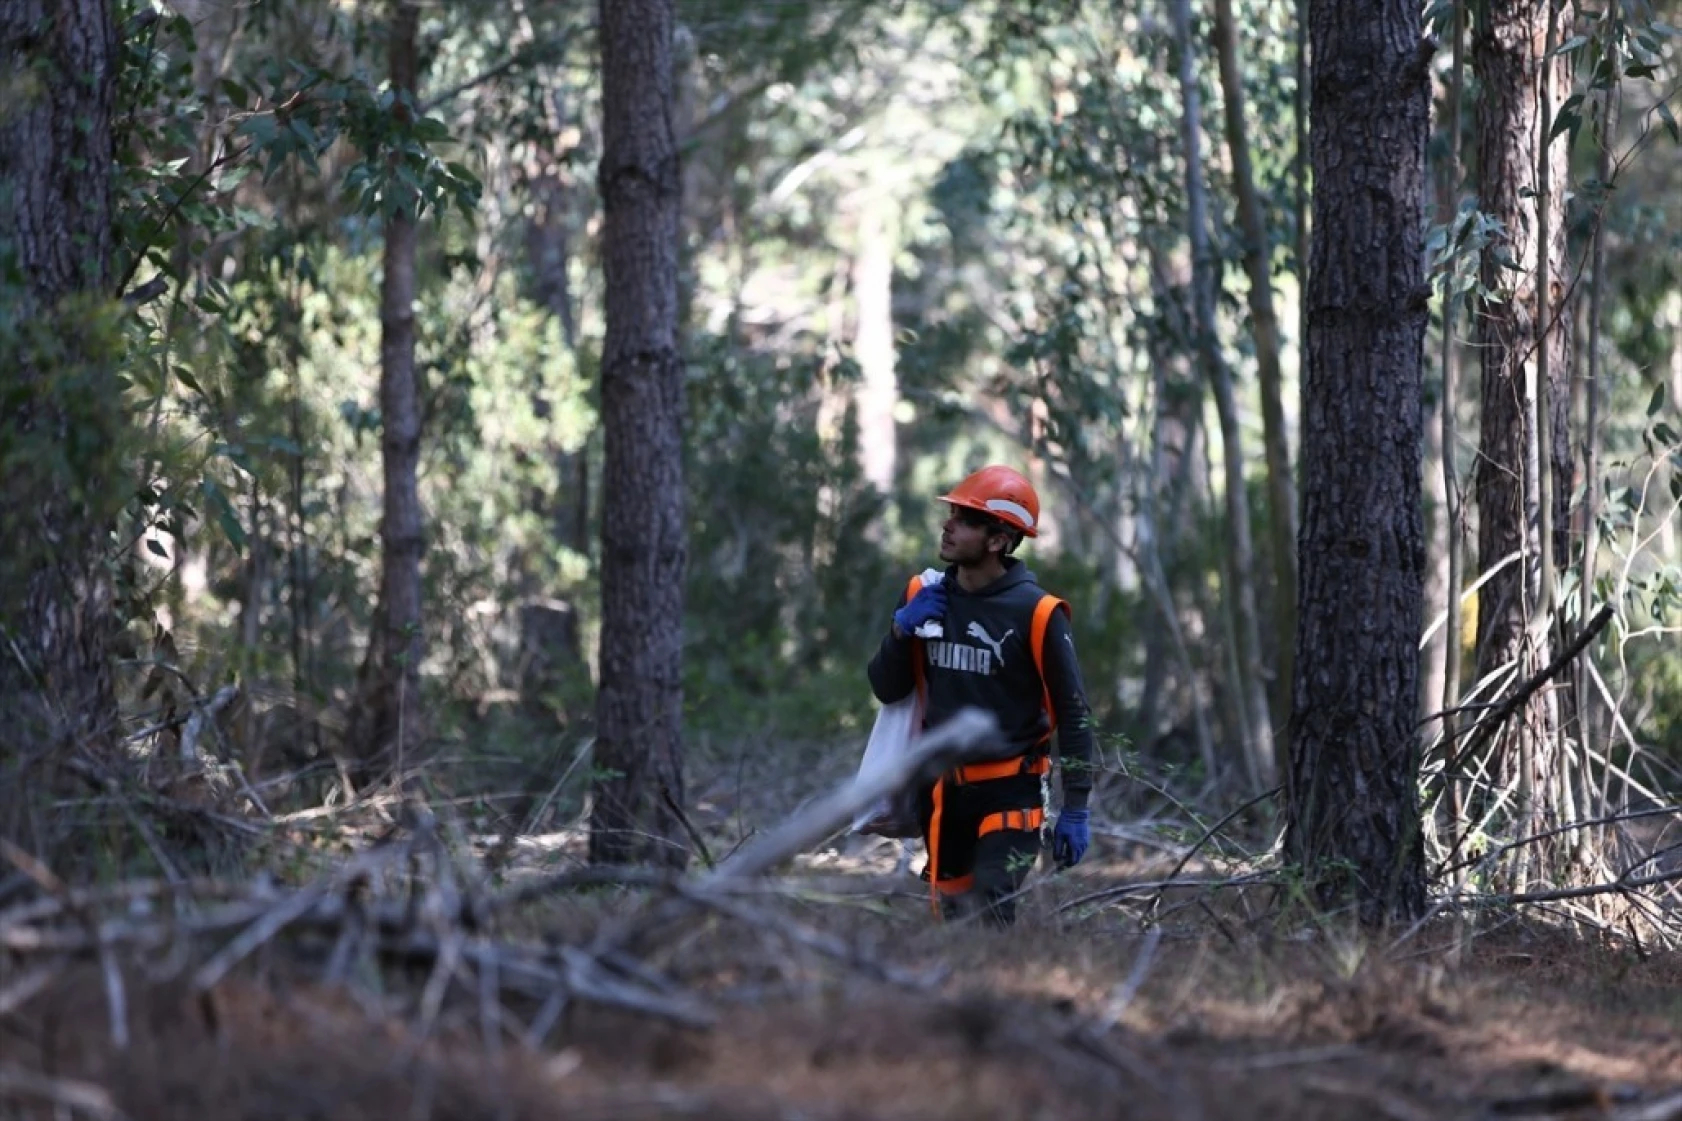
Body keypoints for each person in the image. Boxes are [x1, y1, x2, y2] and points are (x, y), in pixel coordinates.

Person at [867, 465, 1095, 926]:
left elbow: (1074, 713)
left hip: (1012, 790)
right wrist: (900, 630)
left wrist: (1076, 807)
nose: (947, 525)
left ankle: (1001, 996)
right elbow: (886, 688)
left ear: (997, 540)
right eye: (952, 513)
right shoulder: (923, 594)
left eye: (965, 519)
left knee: (990, 906)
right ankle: (959, 998)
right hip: (941, 791)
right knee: (951, 919)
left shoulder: (1039, 613)